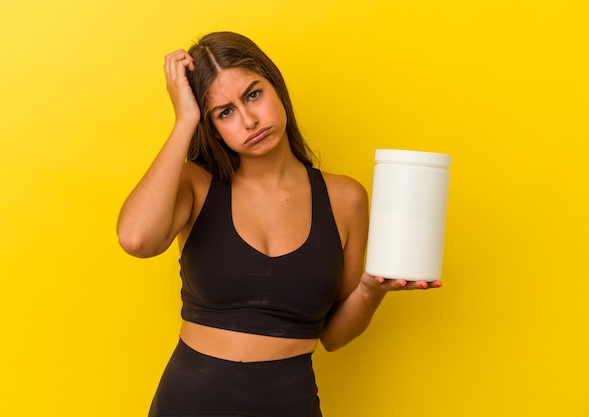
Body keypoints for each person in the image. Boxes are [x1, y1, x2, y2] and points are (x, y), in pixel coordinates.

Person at [117, 31, 441, 417]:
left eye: (254, 94)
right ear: (212, 125)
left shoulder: (345, 198)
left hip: (290, 404)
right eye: (225, 112)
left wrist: (371, 290)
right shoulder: (196, 184)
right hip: (189, 402)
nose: (249, 120)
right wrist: (185, 119)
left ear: (277, 87)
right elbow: (137, 240)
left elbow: (333, 337)